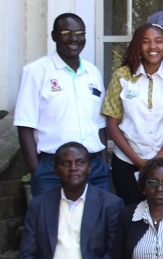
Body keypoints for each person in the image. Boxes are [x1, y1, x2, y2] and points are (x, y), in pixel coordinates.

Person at [15, 13, 112, 197]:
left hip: (94, 167)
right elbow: (25, 127)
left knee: (100, 222)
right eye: (66, 32)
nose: (74, 38)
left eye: (79, 32)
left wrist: (103, 164)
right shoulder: (36, 72)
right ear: (54, 36)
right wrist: (37, 172)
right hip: (52, 169)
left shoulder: (93, 72)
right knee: (52, 223)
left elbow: (100, 125)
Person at [102, 23, 163, 205]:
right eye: (146, 42)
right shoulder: (122, 75)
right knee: (131, 216)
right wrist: (139, 161)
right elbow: (112, 124)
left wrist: (157, 161)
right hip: (127, 162)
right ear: (138, 46)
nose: (152, 47)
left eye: (158, 41)